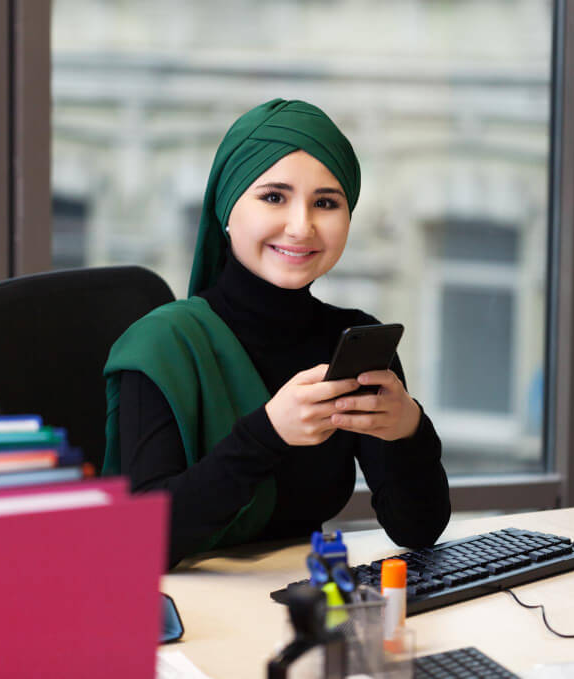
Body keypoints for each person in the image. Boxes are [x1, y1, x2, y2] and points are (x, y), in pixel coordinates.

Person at [103, 99, 450, 568]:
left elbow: (418, 529)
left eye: (325, 202)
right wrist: (268, 434)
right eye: (273, 197)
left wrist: (408, 429)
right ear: (227, 209)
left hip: (305, 602)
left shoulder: (355, 339)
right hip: (195, 622)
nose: (301, 226)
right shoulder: (162, 346)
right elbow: (140, 540)